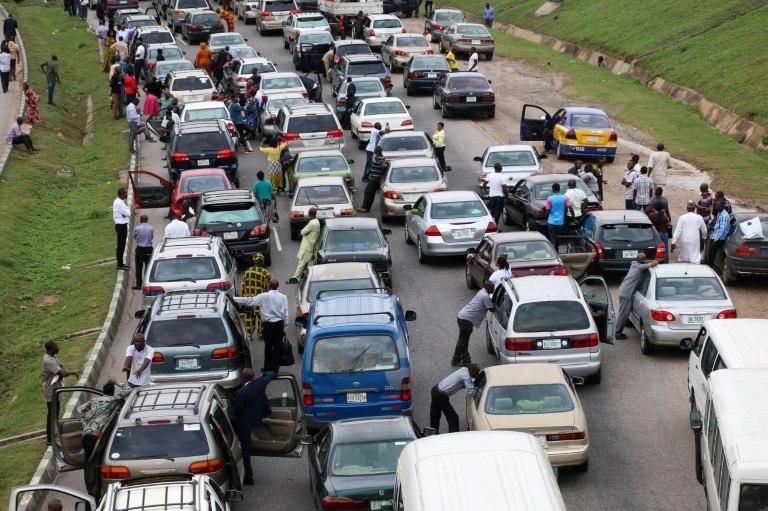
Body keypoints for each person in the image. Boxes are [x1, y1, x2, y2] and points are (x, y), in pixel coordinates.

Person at [234, 279, 287, 373]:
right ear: (277, 286)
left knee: (268, 347)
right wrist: (285, 325)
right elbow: (286, 313)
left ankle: (267, 368)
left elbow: (250, 300)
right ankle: (275, 369)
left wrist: (234, 299)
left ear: (269, 286)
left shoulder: (263, 296)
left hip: (268, 325)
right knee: (277, 347)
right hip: (279, 324)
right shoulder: (283, 297)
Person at [232, 369, 275, 485]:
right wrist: (262, 375)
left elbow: (237, 411)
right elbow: (271, 373)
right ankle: (248, 478)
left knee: (245, 450)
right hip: (258, 417)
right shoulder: (260, 382)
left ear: (242, 378)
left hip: (245, 423)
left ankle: (249, 477)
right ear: (253, 376)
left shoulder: (241, 393)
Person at [77, 379, 132, 463]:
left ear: (103, 391)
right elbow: (128, 389)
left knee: (88, 461)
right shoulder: (114, 400)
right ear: (113, 392)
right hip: (99, 436)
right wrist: (116, 382)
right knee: (99, 462)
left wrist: (85, 424)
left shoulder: (94, 401)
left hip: (87, 433)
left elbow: (79, 410)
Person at [42, 340, 79, 444]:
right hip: (51, 390)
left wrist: (63, 371)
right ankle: (50, 439)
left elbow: (61, 367)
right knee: (52, 414)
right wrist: (72, 372)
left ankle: (53, 436)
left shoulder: (53, 357)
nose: (59, 348)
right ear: (51, 349)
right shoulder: (48, 360)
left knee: (55, 413)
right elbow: (62, 372)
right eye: (56, 346)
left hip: (56, 388)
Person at [614, 254, 659, 339]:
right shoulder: (641, 267)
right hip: (627, 293)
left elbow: (645, 262)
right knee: (623, 314)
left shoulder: (634, 263)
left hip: (623, 290)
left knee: (623, 312)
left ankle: (618, 330)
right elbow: (654, 263)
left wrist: (647, 261)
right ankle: (617, 333)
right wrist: (653, 261)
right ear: (643, 261)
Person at [430, 364, 480, 434]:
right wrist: (479, 390)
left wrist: (473, 382)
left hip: (435, 389)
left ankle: (432, 434)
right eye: (476, 373)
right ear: (472, 371)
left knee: (435, 415)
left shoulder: (464, 370)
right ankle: (453, 437)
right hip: (440, 395)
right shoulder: (465, 376)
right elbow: (471, 392)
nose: (477, 375)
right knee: (453, 418)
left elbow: (467, 384)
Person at [452, 282, 494, 366]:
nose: (493, 289)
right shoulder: (485, 296)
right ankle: (456, 360)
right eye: (492, 288)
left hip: (463, 317)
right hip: (466, 320)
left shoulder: (481, 292)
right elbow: (491, 309)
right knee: (463, 341)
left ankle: (465, 360)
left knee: (464, 341)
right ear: (488, 288)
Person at [288, 208, 320, 283]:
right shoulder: (317, 221)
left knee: (301, 262)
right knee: (305, 262)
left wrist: (302, 233)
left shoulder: (312, 223)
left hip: (307, 245)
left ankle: (295, 278)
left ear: (309, 214)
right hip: (311, 245)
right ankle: (302, 275)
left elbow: (302, 232)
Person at [357, 146, 387, 213]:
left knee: (368, 193)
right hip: (373, 178)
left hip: (374, 179)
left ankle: (365, 208)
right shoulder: (378, 157)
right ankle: (367, 208)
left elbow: (382, 166)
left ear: (378, 151)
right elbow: (377, 165)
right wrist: (370, 170)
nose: (374, 151)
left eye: (375, 150)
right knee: (371, 193)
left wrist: (384, 165)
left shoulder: (380, 158)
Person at [545, 183, 572, 250]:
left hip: (551, 222)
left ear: (552, 189)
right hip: (560, 223)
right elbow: (570, 208)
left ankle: (553, 253)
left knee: (552, 240)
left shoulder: (549, 199)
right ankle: (557, 251)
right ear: (559, 189)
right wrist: (574, 218)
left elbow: (548, 210)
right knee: (558, 239)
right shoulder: (565, 198)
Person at [707, 198, 731, 268]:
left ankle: (710, 268)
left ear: (722, 206)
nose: (716, 207)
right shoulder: (720, 213)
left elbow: (722, 230)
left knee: (711, 255)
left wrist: (715, 240)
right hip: (714, 236)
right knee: (710, 254)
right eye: (716, 205)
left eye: (718, 205)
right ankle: (710, 266)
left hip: (718, 239)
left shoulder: (724, 216)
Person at [132, 215, 154, 290]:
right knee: (148, 267)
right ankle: (147, 284)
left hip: (140, 249)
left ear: (140, 220)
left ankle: (139, 285)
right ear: (147, 220)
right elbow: (151, 237)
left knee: (138, 267)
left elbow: (134, 237)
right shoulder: (151, 228)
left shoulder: (137, 228)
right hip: (149, 249)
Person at [113, 188, 130, 269]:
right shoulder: (119, 203)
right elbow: (128, 213)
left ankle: (121, 263)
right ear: (122, 194)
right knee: (121, 245)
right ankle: (120, 264)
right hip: (121, 226)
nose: (126, 194)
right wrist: (126, 209)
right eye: (125, 193)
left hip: (121, 225)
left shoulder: (120, 202)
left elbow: (126, 213)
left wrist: (125, 211)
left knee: (121, 245)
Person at [486, 162, 506, 227]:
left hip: (491, 196)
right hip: (499, 197)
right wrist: (506, 194)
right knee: (497, 213)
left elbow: (484, 184)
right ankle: (495, 227)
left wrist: (487, 191)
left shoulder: (490, 175)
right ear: (500, 168)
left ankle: (493, 226)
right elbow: (504, 188)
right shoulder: (502, 176)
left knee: (493, 211)